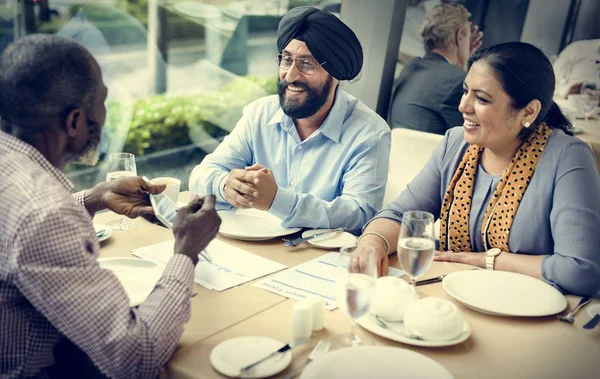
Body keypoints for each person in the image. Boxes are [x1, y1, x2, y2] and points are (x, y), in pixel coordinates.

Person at [0, 35, 221, 378]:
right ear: (74, 122)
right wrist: (186, 252)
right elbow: (135, 357)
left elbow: (19, 224)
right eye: (102, 103)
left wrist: (93, 198)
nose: (104, 117)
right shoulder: (44, 215)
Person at [352, 42, 600, 298]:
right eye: (465, 91)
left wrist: (487, 261)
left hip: (525, 310)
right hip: (450, 297)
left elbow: (581, 270)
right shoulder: (455, 143)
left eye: (481, 98)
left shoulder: (567, 157)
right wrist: (374, 242)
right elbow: (400, 215)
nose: (463, 105)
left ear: (528, 111)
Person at [189, 6, 391, 230]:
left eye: (307, 64)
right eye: (286, 60)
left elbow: (360, 214)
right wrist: (224, 184)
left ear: (336, 73)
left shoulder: (369, 133)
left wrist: (278, 200)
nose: (291, 75)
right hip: (252, 249)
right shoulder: (259, 114)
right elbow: (201, 174)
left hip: (319, 259)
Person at [389, 3, 483, 135]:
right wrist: (463, 67)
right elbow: (469, 136)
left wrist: (462, 64)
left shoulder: (410, 68)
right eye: (467, 36)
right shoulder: (456, 81)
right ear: (460, 36)